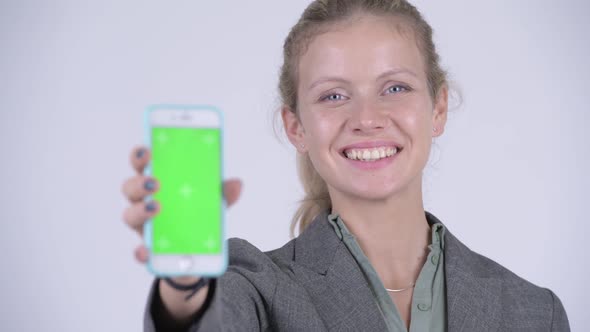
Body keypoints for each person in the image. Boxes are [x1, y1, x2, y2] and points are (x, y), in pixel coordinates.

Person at [121, 0, 570, 331]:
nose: (367, 119)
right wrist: (184, 286)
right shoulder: (255, 287)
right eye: (333, 96)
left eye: (395, 87)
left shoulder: (533, 311)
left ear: (438, 109)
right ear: (296, 127)